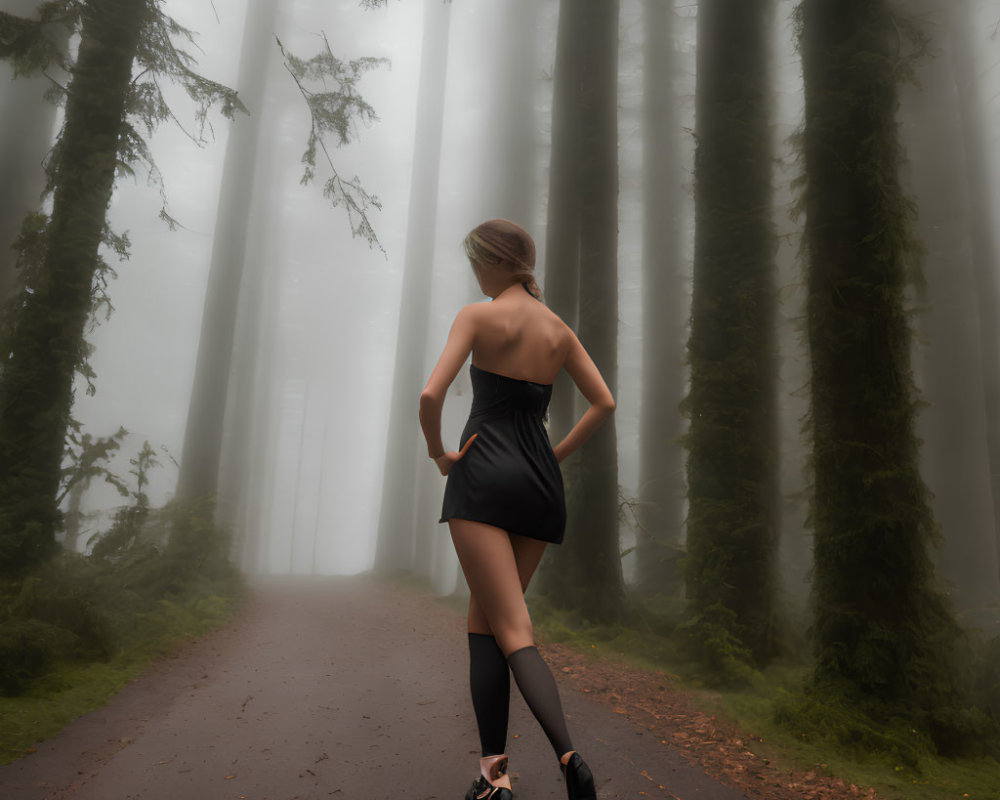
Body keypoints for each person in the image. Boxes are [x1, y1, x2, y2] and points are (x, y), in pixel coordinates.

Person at [419, 219, 615, 800]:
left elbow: (431, 395)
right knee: (486, 624)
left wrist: (440, 455)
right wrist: (551, 455)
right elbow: (603, 402)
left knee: (509, 627)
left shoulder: (478, 317)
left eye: (477, 263)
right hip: (538, 485)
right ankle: (492, 780)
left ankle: (569, 754)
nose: (475, 274)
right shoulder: (558, 329)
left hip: (481, 479)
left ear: (496, 262)